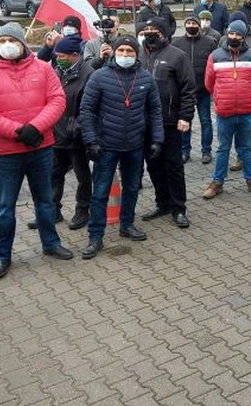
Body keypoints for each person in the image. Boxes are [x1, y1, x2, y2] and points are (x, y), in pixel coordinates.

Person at [0, 22, 72, 280]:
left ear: (23, 43)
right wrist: (18, 131)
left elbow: (58, 100)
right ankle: (2, 255)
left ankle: (50, 243)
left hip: (41, 147)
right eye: (2, 41)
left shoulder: (43, 69)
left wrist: (36, 127)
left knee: (45, 201)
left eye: (12, 40)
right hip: (7, 151)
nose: (8, 45)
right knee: (5, 206)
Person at [79, 37, 164, 259]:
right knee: (100, 193)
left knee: (132, 188)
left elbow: (155, 111)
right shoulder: (99, 77)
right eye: (121, 50)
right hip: (106, 146)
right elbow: (86, 110)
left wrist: (157, 139)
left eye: (129, 51)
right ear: (114, 52)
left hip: (135, 145)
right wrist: (91, 141)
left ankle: (127, 224)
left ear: (136, 54)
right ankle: (95, 236)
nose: (125, 55)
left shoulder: (145, 77)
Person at [137, 17, 196, 228]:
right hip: (145, 123)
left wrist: (185, 116)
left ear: (163, 33)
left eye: (154, 29)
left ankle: (179, 208)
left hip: (170, 122)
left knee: (174, 166)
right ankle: (162, 203)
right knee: (154, 165)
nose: (150, 33)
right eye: (147, 29)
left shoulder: (177, 56)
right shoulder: (139, 56)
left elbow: (188, 89)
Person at [203, 20, 251, 199]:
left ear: (243, 36)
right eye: (231, 34)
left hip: (247, 112)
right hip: (224, 112)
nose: (234, 37)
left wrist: (249, 95)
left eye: (238, 34)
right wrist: (219, 96)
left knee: (247, 148)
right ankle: (217, 182)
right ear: (227, 34)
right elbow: (209, 83)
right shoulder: (215, 56)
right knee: (223, 148)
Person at [39, 34, 94, 230]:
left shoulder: (88, 73)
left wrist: (76, 126)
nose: (58, 58)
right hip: (55, 134)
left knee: (82, 174)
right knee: (54, 173)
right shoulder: (57, 70)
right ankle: (53, 211)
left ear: (74, 55)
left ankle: (83, 210)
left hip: (75, 136)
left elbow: (90, 107)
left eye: (61, 55)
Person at [173, 15, 218, 165]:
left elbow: (214, 66)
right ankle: (185, 150)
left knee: (206, 121)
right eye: (189, 23)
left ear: (199, 26)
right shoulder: (176, 43)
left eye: (194, 23)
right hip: (184, 91)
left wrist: (211, 87)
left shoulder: (209, 43)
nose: (191, 25)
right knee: (186, 121)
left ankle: (206, 151)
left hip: (203, 90)